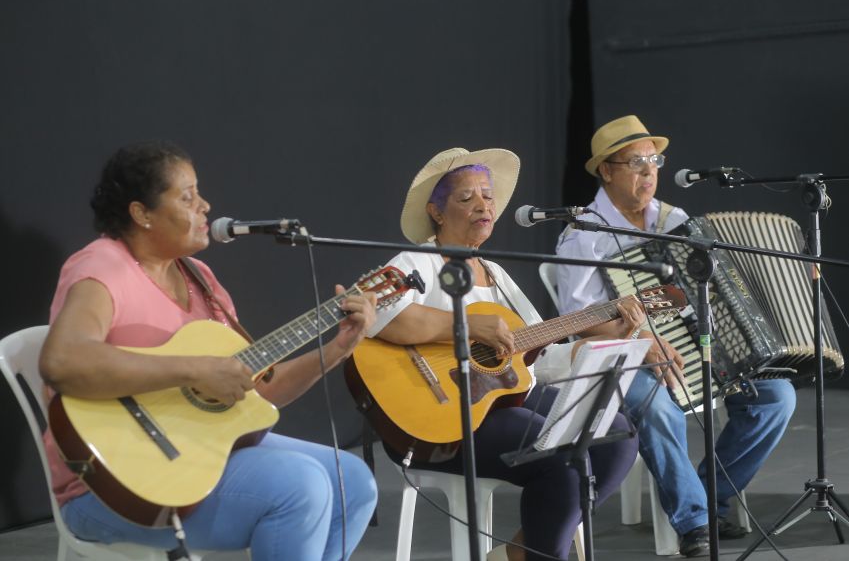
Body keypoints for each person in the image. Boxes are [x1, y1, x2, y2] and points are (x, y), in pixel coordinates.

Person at [38, 141, 378, 561]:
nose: (206, 206)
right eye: (187, 197)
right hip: (108, 486)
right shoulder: (103, 267)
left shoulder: (200, 278)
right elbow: (63, 361)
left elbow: (257, 392)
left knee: (353, 482)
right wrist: (193, 370)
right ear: (142, 213)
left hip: (195, 452)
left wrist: (337, 349)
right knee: (301, 485)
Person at [366, 147, 643, 561]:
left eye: (488, 196)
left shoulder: (495, 275)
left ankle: (520, 551)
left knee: (616, 436)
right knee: (560, 456)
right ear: (436, 212)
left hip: (501, 398)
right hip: (440, 416)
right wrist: (466, 326)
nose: (483, 205)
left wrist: (591, 342)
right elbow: (372, 314)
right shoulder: (415, 262)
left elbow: (533, 357)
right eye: (467, 198)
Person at [555, 115, 797, 557]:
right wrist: (643, 341)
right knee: (656, 406)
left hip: (690, 342)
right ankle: (695, 521)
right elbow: (576, 319)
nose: (649, 172)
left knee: (776, 397)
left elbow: (708, 289)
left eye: (654, 162)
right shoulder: (584, 234)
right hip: (621, 352)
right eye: (636, 163)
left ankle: (710, 494)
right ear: (606, 170)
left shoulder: (674, 219)